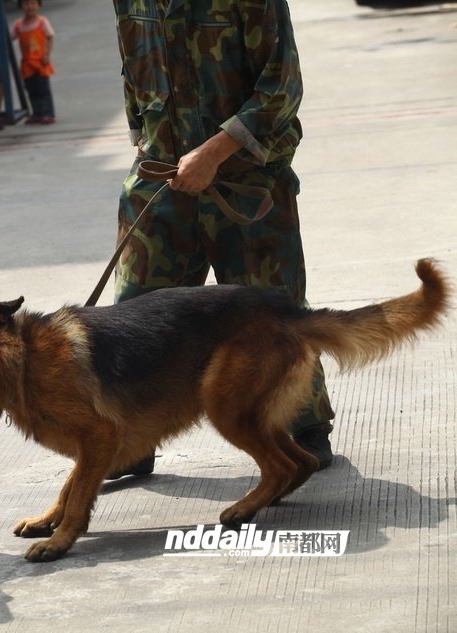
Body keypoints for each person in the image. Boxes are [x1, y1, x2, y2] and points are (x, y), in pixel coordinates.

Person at [108, 0, 334, 478]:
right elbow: (134, 64)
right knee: (136, 314)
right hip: (164, 175)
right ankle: (133, 438)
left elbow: (281, 86)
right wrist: (145, 136)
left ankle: (305, 425)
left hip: (247, 180)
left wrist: (214, 152)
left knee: (272, 310)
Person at [12, 0, 55, 125]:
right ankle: (37, 113)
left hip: (40, 63)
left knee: (43, 90)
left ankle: (48, 113)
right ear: (20, 6)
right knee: (31, 90)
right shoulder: (18, 25)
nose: (29, 7)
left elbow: (50, 36)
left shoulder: (42, 22)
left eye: (32, 3)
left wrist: (47, 54)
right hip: (27, 65)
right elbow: (9, 38)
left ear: (38, 5)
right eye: (26, 4)